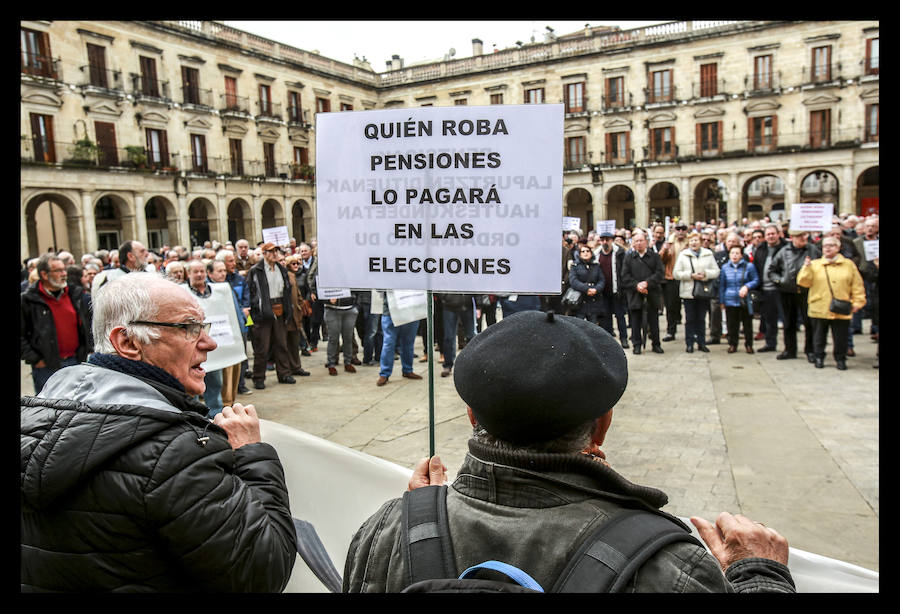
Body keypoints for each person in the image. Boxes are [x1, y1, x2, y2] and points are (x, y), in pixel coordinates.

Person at [343, 311, 795, 593]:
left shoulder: (385, 531)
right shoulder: (668, 566)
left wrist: (420, 520)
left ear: (471, 415)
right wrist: (759, 575)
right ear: (602, 425)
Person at [21, 273, 296, 592]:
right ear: (128, 342)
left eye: (203, 327)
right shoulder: (174, 453)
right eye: (188, 328)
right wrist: (252, 454)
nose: (209, 342)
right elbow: (263, 572)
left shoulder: (38, 415)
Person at [21, 253, 94, 394]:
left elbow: (87, 323)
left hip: (75, 361)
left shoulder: (75, 294)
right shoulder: (28, 300)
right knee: (48, 407)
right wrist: (36, 360)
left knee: (77, 403)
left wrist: (89, 347)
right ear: (44, 274)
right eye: (58, 271)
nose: (64, 274)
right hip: (47, 366)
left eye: (64, 269)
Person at [796, 236, 866, 370]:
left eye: (831, 245)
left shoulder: (848, 264)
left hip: (841, 306)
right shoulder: (814, 264)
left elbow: (857, 285)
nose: (827, 248)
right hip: (819, 306)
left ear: (838, 248)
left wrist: (858, 302)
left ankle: (840, 358)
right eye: (825, 245)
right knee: (819, 336)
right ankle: (819, 357)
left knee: (841, 336)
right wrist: (806, 268)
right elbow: (803, 282)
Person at [246, 243, 295, 389]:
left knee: (281, 343)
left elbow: (286, 290)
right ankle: (259, 377)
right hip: (263, 311)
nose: (274, 254)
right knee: (262, 347)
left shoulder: (281, 269)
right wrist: (256, 309)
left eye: (276, 251)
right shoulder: (256, 270)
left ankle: (284, 373)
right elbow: (251, 292)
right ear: (264, 253)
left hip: (280, 308)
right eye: (271, 251)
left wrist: (288, 309)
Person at [769, 231, 820, 362]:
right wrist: (780, 281)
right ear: (792, 238)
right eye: (799, 236)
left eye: (805, 235)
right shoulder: (783, 251)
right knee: (788, 322)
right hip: (787, 292)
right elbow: (772, 270)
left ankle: (810, 350)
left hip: (807, 291)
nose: (803, 238)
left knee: (809, 323)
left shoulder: (813, 250)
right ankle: (790, 350)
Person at [185, 259, 223, 416]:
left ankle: (215, 413)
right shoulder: (182, 292)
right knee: (191, 381)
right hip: (190, 346)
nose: (200, 274)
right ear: (189, 274)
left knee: (215, 380)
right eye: (196, 271)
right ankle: (194, 414)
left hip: (212, 343)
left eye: (202, 271)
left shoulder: (217, 291)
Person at [672, 232, 720, 353]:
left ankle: (701, 342)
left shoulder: (708, 254)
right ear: (689, 242)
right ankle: (689, 343)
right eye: (692, 241)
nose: (694, 243)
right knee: (690, 319)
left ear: (700, 242)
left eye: (696, 240)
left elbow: (716, 271)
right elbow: (676, 273)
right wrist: (690, 275)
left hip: (703, 291)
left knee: (701, 318)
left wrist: (705, 274)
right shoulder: (684, 255)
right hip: (688, 292)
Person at [619, 231, 664, 355]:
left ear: (647, 242)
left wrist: (647, 283)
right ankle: (637, 344)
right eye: (636, 241)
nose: (639, 243)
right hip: (635, 294)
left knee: (653, 320)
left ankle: (656, 343)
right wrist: (637, 285)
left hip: (651, 293)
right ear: (633, 243)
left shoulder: (654, 256)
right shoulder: (629, 258)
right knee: (635, 321)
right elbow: (625, 276)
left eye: (641, 240)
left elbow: (660, 273)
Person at [752, 224, 787, 353]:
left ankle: (789, 346)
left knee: (786, 319)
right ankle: (770, 343)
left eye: (773, 233)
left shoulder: (786, 248)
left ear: (778, 234)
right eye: (768, 234)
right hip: (765, 289)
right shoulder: (761, 248)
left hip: (781, 289)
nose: (770, 236)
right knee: (769, 318)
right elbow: (756, 267)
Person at [376, 290, 423, 386]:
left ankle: (407, 370)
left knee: (408, 343)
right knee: (389, 343)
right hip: (391, 311)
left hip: (411, 310)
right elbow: (378, 288)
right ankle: (384, 373)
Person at [719, 245, 760, 354]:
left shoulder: (749, 266)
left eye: (737, 253)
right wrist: (722, 300)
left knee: (747, 324)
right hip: (730, 299)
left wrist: (747, 286)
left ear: (741, 255)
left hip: (745, 300)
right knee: (732, 324)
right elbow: (722, 285)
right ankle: (733, 344)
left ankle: (749, 345)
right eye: (732, 253)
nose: (735, 255)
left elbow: (756, 280)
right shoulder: (725, 268)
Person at [594, 231, 629, 347]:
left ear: (611, 240)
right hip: (603, 292)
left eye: (607, 240)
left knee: (620, 316)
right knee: (606, 317)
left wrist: (622, 287)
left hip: (616, 290)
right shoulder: (596, 254)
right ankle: (609, 341)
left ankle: (624, 338)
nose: (605, 242)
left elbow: (624, 271)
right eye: (602, 240)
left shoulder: (619, 253)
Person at [658, 222, 689, 342]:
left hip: (686, 278)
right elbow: (661, 260)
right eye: (678, 229)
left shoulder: (690, 243)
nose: (680, 231)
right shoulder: (668, 243)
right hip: (671, 278)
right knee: (671, 307)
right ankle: (671, 331)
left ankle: (691, 333)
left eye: (683, 229)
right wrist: (665, 251)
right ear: (674, 230)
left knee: (688, 307)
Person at [283, 255, 312, 378]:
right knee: (285, 343)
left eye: (297, 263)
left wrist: (301, 305)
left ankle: (296, 366)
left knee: (294, 342)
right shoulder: (285, 276)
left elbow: (298, 294)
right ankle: (287, 369)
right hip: (286, 314)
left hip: (296, 314)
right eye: (293, 264)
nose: (296, 266)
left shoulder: (292, 276)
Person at [323, 287, 359, 377]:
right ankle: (331, 363)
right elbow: (316, 285)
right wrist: (327, 298)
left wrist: (356, 303)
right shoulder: (326, 273)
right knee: (333, 338)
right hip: (332, 309)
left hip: (350, 308)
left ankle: (347, 362)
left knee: (348, 338)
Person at [438, 293, 477, 378]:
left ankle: (471, 365)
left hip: (467, 305)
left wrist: (478, 304)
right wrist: (445, 297)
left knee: (471, 337)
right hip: (449, 305)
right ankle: (448, 365)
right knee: (448, 337)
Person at [568, 242, 606, 326]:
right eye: (583, 251)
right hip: (580, 301)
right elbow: (573, 281)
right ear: (579, 254)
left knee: (593, 327)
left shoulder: (596, 266)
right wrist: (586, 289)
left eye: (587, 251)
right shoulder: (575, 266)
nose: (585, 253)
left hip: (594, 301)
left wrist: (596, 289)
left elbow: (602, 280)